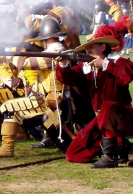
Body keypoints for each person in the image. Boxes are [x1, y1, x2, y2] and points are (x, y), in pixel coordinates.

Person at [0, 16, 74, 158]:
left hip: (52, 103)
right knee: (13, 112)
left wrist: (10, 54)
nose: (43, 43)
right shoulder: (56, 50)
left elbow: (23, 64)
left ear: (50, 39)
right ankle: (6, 147)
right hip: (46, 101)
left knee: (8, 106)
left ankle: (7, 148)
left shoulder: (54, 53)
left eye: (44, 40)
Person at [56, 23, 133, 168]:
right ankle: (116, 146)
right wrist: (64, 64)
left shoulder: (119, 62)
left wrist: (105, 65)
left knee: (107, 106)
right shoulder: (87, 67)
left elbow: (127, 76)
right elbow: (68, 79)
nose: (88, 49)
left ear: (103, 47)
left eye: (92, 46)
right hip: (100, 121)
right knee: (73, 153)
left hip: (123, 117)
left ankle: (110, 157)